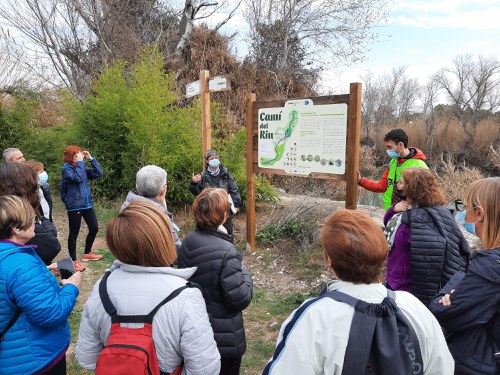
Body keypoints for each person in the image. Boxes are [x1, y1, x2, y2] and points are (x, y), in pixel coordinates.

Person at [263, 209, 454, 375]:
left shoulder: (314, 316)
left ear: (329, 259)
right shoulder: (413, 307)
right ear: (383, 254)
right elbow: (442, 367)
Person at [76, 200, 221, 374]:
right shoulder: (185, 296)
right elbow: (205, 369)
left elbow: (88, 358)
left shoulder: (102, 289)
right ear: (163, 241)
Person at [0, 195, 81, 375]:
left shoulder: (8, 257)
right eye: (31, 219)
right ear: (15, 228)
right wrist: (71, 287)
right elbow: (51, 313)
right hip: (35, 360)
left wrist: (42, 272)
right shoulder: (21, 264)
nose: (36, 223)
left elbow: (10, 286)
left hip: (11, 357)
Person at [178, 188, 253, 375]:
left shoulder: (188, 241)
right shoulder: (227, 251)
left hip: (194, 329)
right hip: (223, 339)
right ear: (224, 214)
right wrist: (246, 275)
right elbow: (239, 299)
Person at [429, 177, 500, 375]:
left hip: (481, 364)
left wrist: (457, 284)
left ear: (479, 214)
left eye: (466, 209)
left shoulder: (489, 267)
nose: (463, 215)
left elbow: (446, 314)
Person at [383, 167, 469, 305]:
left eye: (402, 182)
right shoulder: (410, 209)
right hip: (394, 278)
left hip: (406, 286)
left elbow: (427, 249)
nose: (398, 184)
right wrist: (393, 210)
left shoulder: (418, 218)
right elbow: (389, 224)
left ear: (411, 188)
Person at [0, 162, 61, 265]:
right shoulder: (18, 214)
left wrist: (42, 223)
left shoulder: (17, 209)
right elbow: (51, 246)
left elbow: (43, 219)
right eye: (32, 185)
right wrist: (46, 227)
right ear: (22, 187)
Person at [358, 128, 428, 210]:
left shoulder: (418, 165)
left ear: (400, 145)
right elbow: (382, 186)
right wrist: (360, 181)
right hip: (390, 213)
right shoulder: (392, 162)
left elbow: (425, 197)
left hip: (407, 216)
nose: (388, 150)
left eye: (389, 147)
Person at [61, 146, 103, 270]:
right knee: (74, 233)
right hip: (75, 205)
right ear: (69, 157)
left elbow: (98, 173)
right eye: (76, 155)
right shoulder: (66, 169)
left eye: (80, 155)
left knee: (94, 228)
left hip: (87, 203)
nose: (79, 157)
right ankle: (73, 261)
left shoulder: (81, 166)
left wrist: (91, 159)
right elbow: (78, 178)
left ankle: (87, 253)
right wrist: (80, 162)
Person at [120, 165, 181, 250]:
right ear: (163, 190)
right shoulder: (159, 216)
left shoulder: (126, 206)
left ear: (137, 186)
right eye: (167, 183)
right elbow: (175, 250)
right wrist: (165, 214)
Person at [189, 150, 241, 237]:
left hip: (225, 210)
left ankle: (228, 249)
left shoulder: (226, 175)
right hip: (209, 211)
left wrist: (236, 205)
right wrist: (193, 183)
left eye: (216, 158)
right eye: (211, 158)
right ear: (207, 161)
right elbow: (196, 192)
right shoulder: (202, 176)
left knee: (227, 234)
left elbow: (234, 190)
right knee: (210, 235)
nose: (214, 160)